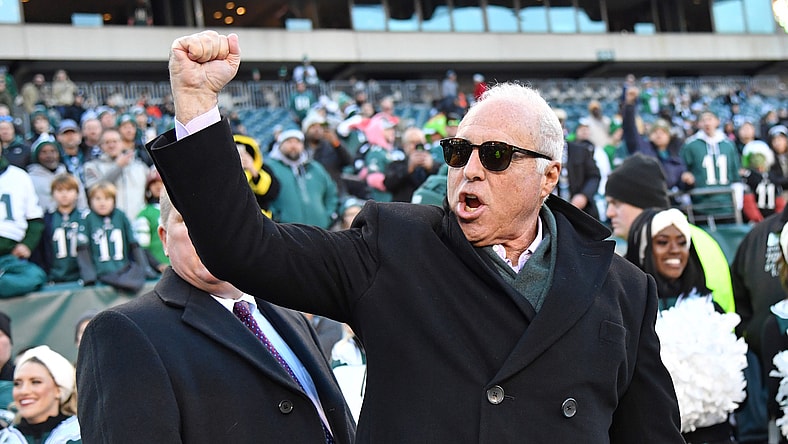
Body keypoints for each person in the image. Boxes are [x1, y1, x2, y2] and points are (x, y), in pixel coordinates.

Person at [148, 31, 683, 442]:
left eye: (495, 156)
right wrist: (196, 105)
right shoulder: (392, 248)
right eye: (458, 152)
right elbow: (243, 247)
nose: (469, 170)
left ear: (549, 176)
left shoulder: (624, 290)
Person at [76, 187, 355, 443]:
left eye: (225, 213)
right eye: (188, 218)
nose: (207, 228)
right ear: (164, 238)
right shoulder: (124, 331)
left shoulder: (289, 315)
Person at [625, 208, 744, 443]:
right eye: (662, 242)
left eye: (681, 243)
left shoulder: (711, 307)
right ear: (644, 251)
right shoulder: (630, 310)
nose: (674, 250)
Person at [604, 154, 735, 313]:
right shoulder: (695, 235)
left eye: (616, 204)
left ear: (642, 203)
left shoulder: (691, 243)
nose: (609, 213)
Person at [76, 181, 154, 291]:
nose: (102, 203)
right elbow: (83, 249)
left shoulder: (120, 216)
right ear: (90, 201)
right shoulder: (87, 218)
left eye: (107, 199)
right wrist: (89, 276)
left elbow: (134, 244)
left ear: (114, 200)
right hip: (100, 273)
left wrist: (145, 269)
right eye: (98, 199)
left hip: (123, 271)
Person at [0, 345, 81, 443]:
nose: (24, 391)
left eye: (35, 382)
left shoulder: (81, 435)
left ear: (59, 389)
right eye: (17, 383)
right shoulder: (5, 438)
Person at [266, 129, 338, 228]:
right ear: (280, 145)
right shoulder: (270, 168)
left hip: (319, 230)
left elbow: (331, 192)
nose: (293, 146)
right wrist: (276, 217)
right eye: (289, 141)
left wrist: (328, 215)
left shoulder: (315, 167)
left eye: (297, 142)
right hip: (285, 232)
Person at [31, 174, 87, 284]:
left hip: (81, 276)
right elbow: (40, 250)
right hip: (54, 277)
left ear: (77, 193)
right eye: (59, 190)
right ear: (52, 194)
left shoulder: (85, 217)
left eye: (69, 190)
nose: (64, 194)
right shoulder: (46, 219)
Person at [83, 128, 149, 220]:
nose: (111, 145)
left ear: (122, 143)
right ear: (101, 146)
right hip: (110, 223)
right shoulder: (91, 167)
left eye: (115, 141)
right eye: (107, 142)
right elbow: (95, 191)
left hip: (138, 221)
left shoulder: (140, 167)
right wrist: (118, 167)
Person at [26, 139, 87, 213]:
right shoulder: (29, 179)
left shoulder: (70, 177)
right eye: (44, 152)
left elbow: (82, 203)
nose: (49, 155)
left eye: (53, 151)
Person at [383, 126, 440, 202]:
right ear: (404, 146)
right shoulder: (396, 165)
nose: (416, 146)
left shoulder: (434, 164)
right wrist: (409, 168)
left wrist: (431, 168)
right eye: (412, 142)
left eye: (419, 143)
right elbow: (388, 185)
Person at [234, 134, 280, 218]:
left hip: (260, 219)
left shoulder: (263, 168)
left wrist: (252, 170)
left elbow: (273, 191)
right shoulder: (224, 171)